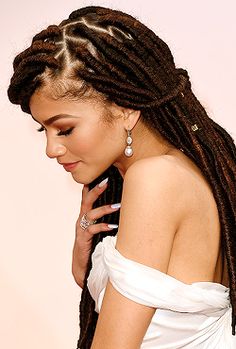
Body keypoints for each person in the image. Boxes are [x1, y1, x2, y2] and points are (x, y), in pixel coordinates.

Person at [7, 5, 236, 349]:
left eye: (65, 129)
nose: (51, 149)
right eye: (44, 130)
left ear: (126, 109)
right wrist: (82, 261)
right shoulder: (172, 171)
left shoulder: (156, 178)